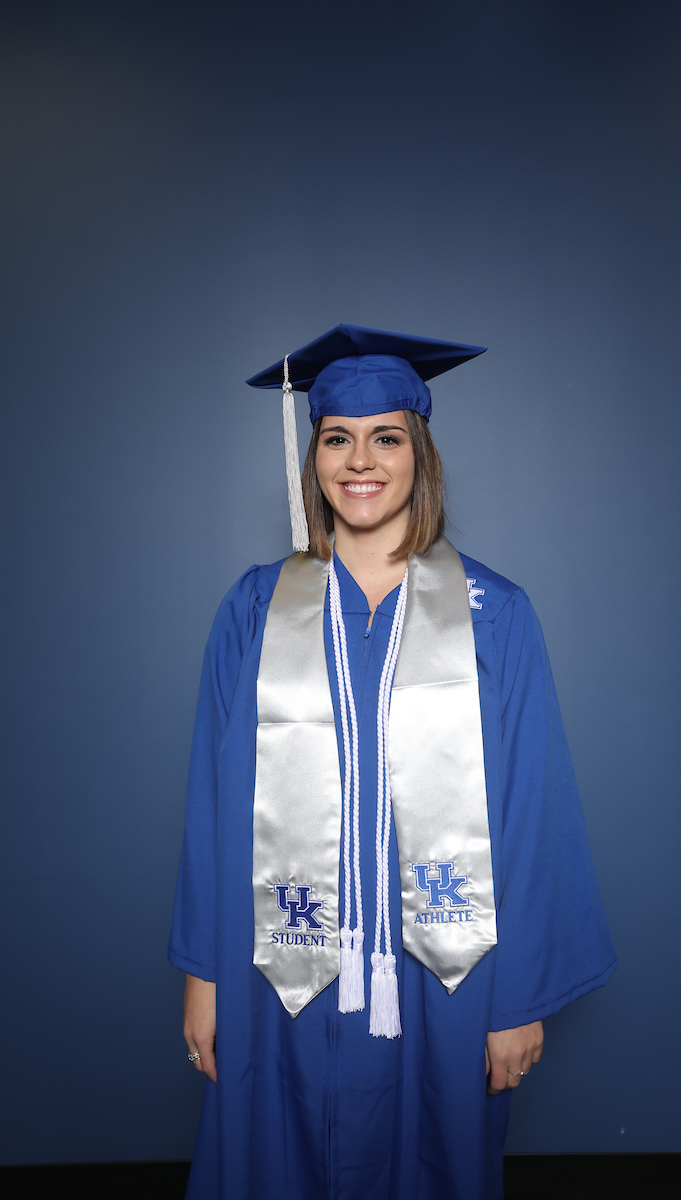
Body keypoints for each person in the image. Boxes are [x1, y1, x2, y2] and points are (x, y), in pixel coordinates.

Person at [169, 324, 617, 1200]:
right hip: (278, 970)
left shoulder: (496, 614)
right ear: (314, 455)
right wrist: (202, 975)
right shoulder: (255, 608)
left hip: (442, 976)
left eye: (388, 437)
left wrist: (518, 998)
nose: (360, 460)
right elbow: (211, 801)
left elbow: (531, 810)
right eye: (337, 436)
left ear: (421, 454)